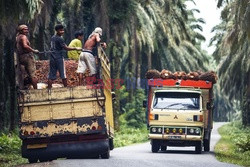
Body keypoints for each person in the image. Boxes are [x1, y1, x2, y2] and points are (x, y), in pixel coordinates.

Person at [48, 24, 82, 89]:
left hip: (52, 58)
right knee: (63, 74)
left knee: (51, 75)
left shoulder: (53, 38)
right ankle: (66, 89)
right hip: (59, 58)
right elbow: (66, 48)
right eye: (61, 30)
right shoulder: (60, 39)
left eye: (63, 30)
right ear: (57, 31)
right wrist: (75, 48)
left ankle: (49, 90)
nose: (62, 31)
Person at [16, 24, 39, 89]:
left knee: (24, 74)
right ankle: (36, 91)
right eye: (25, 29)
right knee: (33, 75)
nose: (27, 30)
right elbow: (25, 46)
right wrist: (34, 51)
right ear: (20, 30)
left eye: (27, 29)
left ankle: (25, 87)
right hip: (27, 57)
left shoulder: (17, 37)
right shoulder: (23, 37)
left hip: (21, 57)